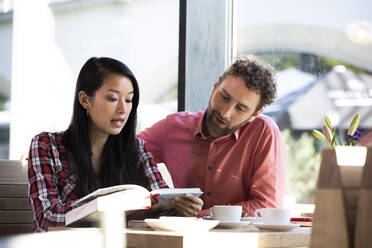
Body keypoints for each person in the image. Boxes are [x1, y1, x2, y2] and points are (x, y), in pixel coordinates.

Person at [27, 57, 203, 232]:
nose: (123, 110)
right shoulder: (46, 146)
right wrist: (108, 207)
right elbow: (46, 218)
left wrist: (180, 208)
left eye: (128, 100)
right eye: (112, 99)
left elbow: (160, 202)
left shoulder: (137, 149)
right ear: (85, 100)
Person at [138, 55, 286, 216]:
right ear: (215, 86)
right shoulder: (173, 127)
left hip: (240, 239)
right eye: (224, 97)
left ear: (255, 114)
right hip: (180, 236)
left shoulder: (264, 132)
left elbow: (267, 206)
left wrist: (200, 215)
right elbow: (124, 150)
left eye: (241, 108)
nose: (225, 112)